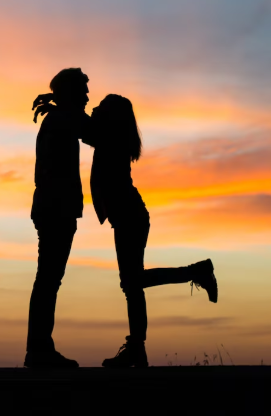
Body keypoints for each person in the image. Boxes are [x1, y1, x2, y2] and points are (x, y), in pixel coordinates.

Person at [87, 94, 218, 368]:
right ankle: (137, 348)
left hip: (130, 217)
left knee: (131, 283)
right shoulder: (112, 135)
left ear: (113, 116)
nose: (95, 108)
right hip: (128, 217)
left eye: (102, 107)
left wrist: (61, 106)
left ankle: (197, 272)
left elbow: (88, 131)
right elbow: (89, 130)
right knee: (132, 284)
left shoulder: (111, 137)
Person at [24, 68, 94, 369]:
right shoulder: (63, 119)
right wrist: (59, 101)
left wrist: (58, 100)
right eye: (84, 90)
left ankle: (40, 348)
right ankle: (39, 350)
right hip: (56, 209)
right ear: (72, 93)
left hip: (52, 208)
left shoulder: (60, 118)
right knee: (49, 279)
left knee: (49, 279)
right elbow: (98, 133)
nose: (88, 96)